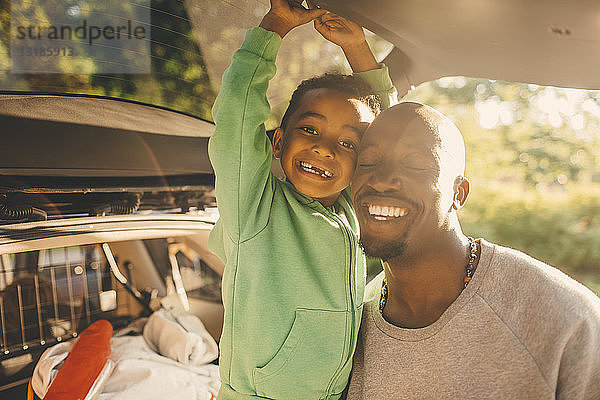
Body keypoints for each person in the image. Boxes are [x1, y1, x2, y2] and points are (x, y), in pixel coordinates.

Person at [345, 101, 600, 399]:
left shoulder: (563, 317)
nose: (381, 179)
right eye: (368, 161)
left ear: (458, 194)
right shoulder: (349, 322)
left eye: (414, 164)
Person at [208, 0, 398, 398]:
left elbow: (392, 138)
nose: (326, 149)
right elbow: (235, 117)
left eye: (348, 143)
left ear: (363, 160)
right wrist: (276, 23)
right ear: (278, 142)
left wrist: (359, 50)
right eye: (310, 130)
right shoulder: (256, 207)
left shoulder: (349, 211)